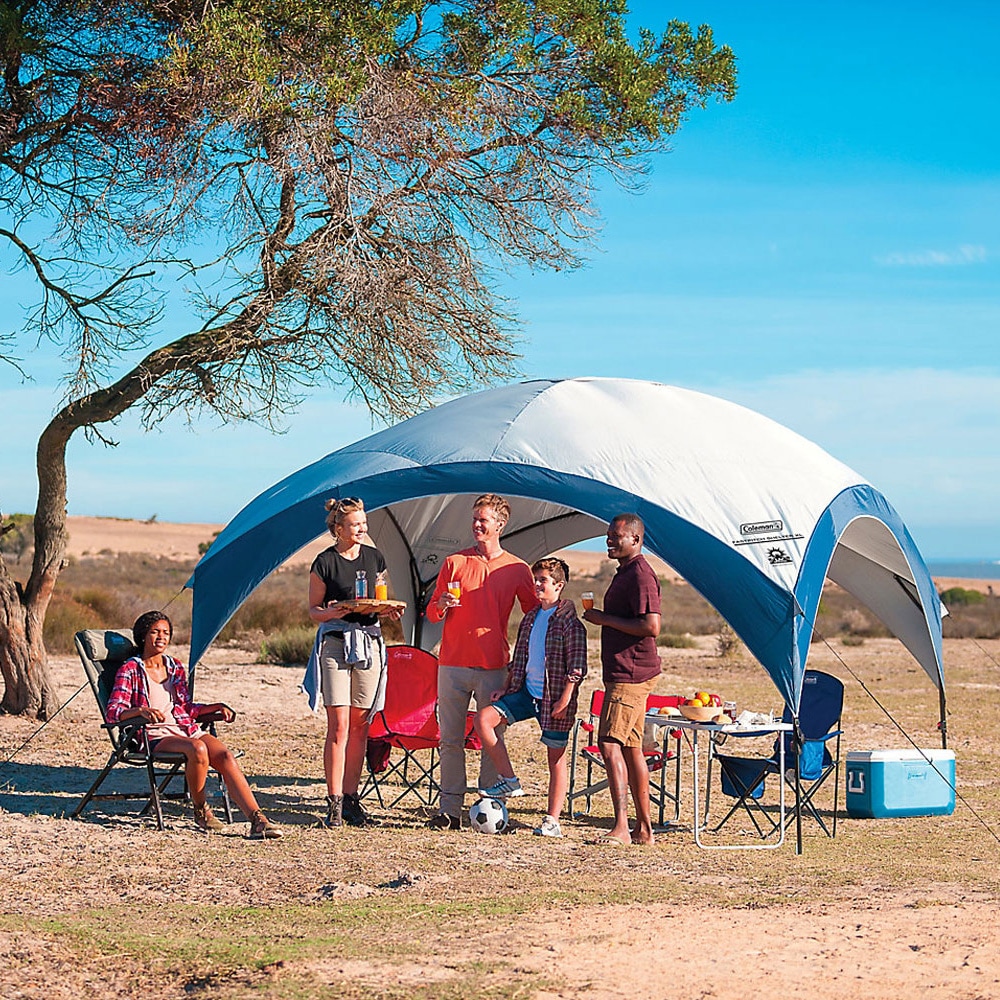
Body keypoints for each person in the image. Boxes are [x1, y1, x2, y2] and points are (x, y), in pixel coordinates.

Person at [106, 611, 281, 839]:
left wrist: (214, 707)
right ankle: (201, 812)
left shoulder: (175, 667)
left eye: (166, 633)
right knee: (197, 748)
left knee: (226, 756)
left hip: (184, 728)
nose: (161, 637)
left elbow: (186, 708)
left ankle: (258, 820)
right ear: (143, 636)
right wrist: (140, 711)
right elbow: (113, 712)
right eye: (155, 632)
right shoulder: (130, 670)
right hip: (153, 736)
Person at [425, 493, 538, 830]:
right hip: (452, 664)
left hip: (494, 668)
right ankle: (450, 811)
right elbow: (431, 614)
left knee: (493, 737)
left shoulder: (517, 568)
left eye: (483, 519)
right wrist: (442, 604)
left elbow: (534, 616)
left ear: (500, 525)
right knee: (450, 740)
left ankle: (491, 808)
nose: (476, 525)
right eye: (474, 518)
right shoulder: (454, 562)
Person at [305, 496, 403, 829]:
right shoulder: (324, 562)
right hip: (336, 644)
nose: (362, 529)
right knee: (339, 728)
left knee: (362, 726)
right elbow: (314, 610)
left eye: (364, 523)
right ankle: (332, 803)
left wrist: (387, 610)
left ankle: (351, 800)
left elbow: (379, 597)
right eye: (356, 524)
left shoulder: (374, 557)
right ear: (338, 528)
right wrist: (329, 613)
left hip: (369, 644)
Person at [474, 557, 587, 838]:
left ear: (559, 585)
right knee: (484, 719)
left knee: (555, 760)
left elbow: (576, 668)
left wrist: (565, 700)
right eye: (535, 579)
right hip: (526, 693)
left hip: (555, 700)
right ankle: (509, 779)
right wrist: (508, 686)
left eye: (543, 581)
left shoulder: (570, 624)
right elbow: (520, 658)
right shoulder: (531, 617)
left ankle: (552, 820)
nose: (537, 585)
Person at [582, 514, 662, 846]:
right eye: (608, 535)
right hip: (626, 671)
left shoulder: (641, 575)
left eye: (616, 536)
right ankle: (643, 830)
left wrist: (603, 619)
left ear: (636, 539)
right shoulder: (627, 573)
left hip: (631, 674)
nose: (609, 540)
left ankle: (621, 828)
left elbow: (651, 626)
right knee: (631, 748)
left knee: (609, 743)